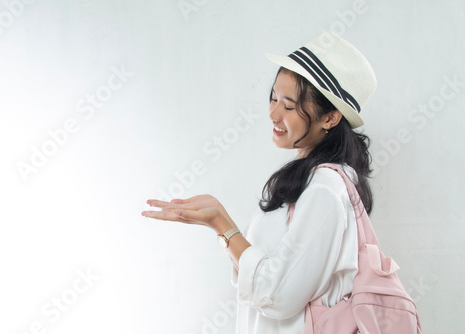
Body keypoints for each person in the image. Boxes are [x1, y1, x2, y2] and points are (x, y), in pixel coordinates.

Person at [141, 31, 377, 334]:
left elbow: (276, 295)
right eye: (274, 98)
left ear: (330, 118)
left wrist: (222, 226)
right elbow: (267, 277)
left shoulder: (325, 190)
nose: (273, 113)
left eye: (289, 106)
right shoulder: (309, 181)